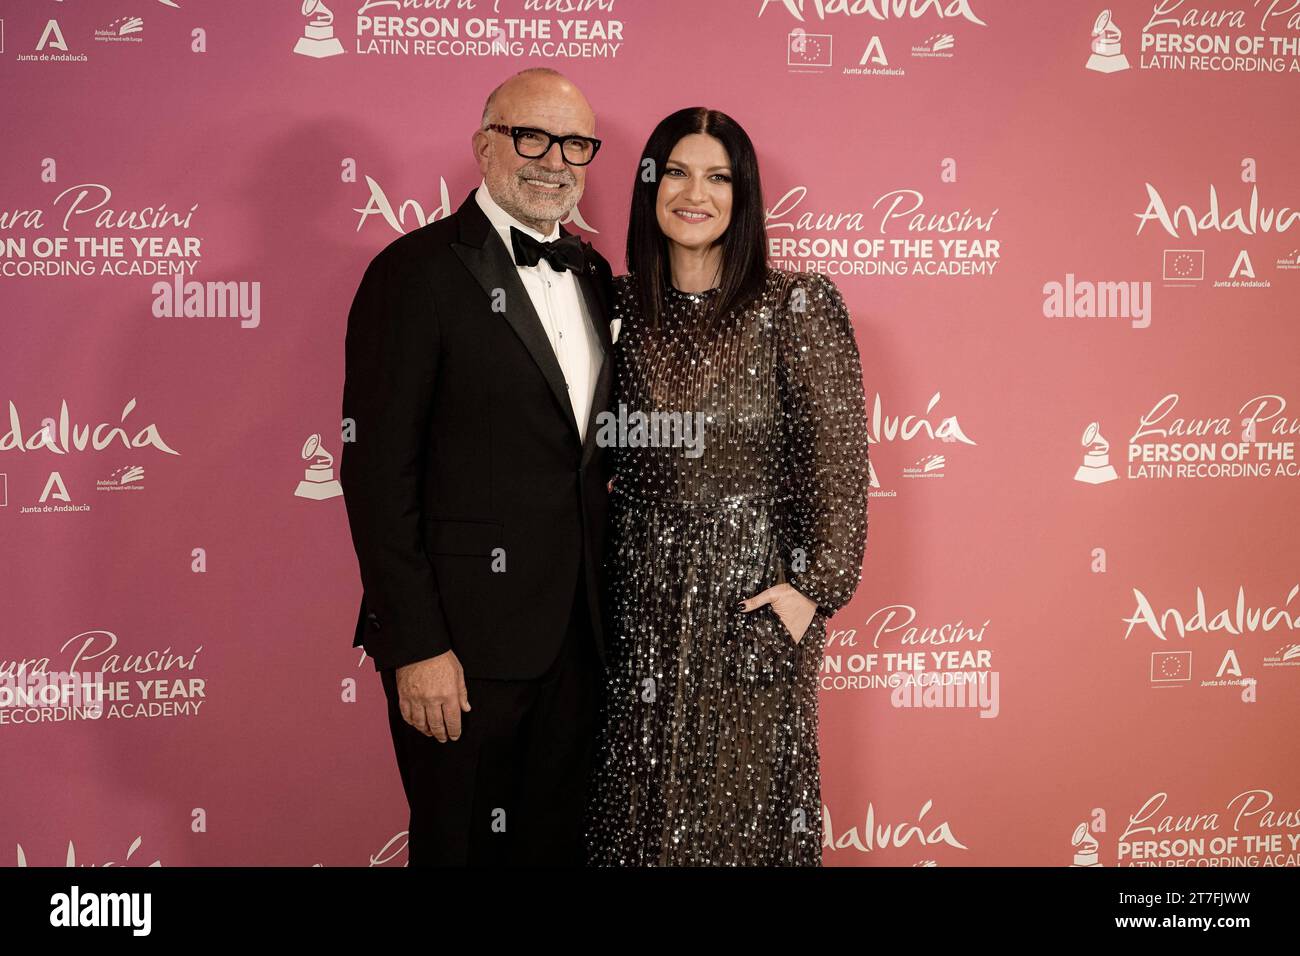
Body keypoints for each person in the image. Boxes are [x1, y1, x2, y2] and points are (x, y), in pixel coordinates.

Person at [340, 67, 615, 866]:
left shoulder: (596, 276)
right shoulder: (414, 274)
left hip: (579, 639)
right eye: (530, 136)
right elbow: (376, 474)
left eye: (574, 144)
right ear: (484, 145)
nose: (553, 160)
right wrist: (416, 644)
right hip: (459, 652)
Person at [583, 107, 870, 866]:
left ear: (744, 197)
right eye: (676, 171)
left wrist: (812, 590)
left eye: (718, 177)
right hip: (633, 598)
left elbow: (834, 460)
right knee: (635, 816)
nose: (694, 193)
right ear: (649, 185)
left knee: (740, 820)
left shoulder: (794, 304)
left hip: (749, 600)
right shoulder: (614, 305)